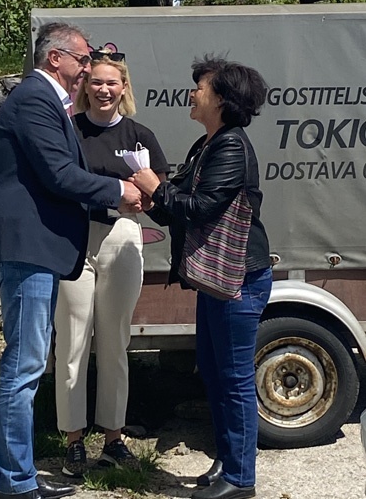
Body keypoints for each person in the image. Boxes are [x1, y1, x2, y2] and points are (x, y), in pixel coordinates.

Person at [0, 23, 142, 499]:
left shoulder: (45, 101)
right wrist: (119, 189)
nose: (88, 68)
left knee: (26, 365)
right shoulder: (34, 99)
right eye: (83, 59)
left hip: (34, 248)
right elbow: (59, 174)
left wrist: (113, 197)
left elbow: (58, 176)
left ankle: (17, 479)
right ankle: (16, 485)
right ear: (55, 58)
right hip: (26, 248)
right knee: (24, 368)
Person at [131, 56, 272, 499]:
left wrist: (155, 187)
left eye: (200, 87)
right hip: (219, 282)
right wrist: (152, 201)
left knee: (234, 379)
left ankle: (241, 479)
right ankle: (228, 462)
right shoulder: (206, 144)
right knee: (213, 372)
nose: (192, 93)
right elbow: (178, 207)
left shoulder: (230, 146)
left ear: (223, 99)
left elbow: (201, 208)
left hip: (238, 282)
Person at [54, 52, 168, 477]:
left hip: (121, 236)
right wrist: (112, 192)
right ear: (85, 87)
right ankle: (73, 440)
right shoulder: (70, 130)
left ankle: (113, 438)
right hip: (75, 237)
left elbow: (158, 191)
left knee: (114, 341)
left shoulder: (139, 135)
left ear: (124, 88)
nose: (103, 90)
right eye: (96, 82)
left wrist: (145, 198)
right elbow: (58, 181)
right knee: (72, 342)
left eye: (112, 83)